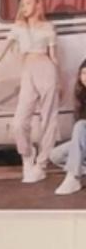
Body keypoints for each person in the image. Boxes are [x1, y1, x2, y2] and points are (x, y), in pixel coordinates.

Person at [0, 0, 60, 182]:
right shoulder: (18, 28)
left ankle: (41, 165)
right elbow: (2, 51)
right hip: (28, 71)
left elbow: (54, 57)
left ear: (38, 5)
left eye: (28, 3)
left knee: (49, 119)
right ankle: (27, 155)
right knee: (19, 122)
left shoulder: (48, 27)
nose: (24, 8)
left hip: (47, 69)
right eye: (22, 4)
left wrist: (60, 81)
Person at [47, 58, 86, 195]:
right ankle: (77, 168)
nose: (85, 77)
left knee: (80, 125)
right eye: (83, 73)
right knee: (55, 155)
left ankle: (74, 178)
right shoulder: (81, 96)